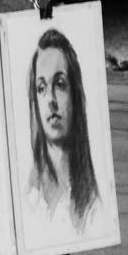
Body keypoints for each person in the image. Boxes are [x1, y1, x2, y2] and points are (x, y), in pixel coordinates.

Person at [25, 28, 101, 235]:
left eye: (59, 85)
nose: (50, 99)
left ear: (74, 95)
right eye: (41, 88)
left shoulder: (92, 204)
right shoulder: (30, 196)